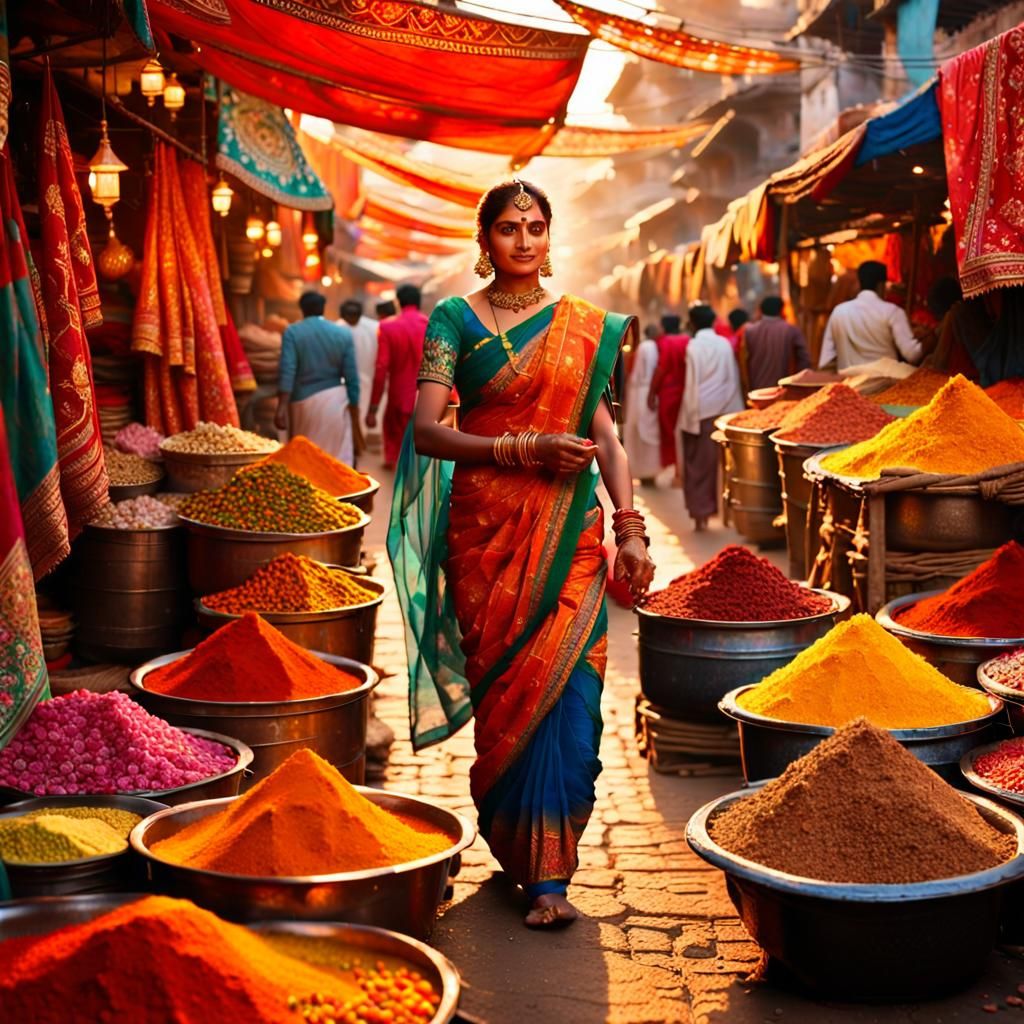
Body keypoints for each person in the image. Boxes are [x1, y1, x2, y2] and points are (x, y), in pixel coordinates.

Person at [389, 179, 655, 931]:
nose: (526, 240)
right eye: (509, 228)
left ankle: (552, 875)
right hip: (486, 537)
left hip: (570, 535)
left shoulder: (582, 326)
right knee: (509, 694)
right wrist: (522, 446)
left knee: (573, 701)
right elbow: (428, 432)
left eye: (537, 226)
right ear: (485, 240)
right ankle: (520, 853)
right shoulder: (452, 320)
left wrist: (630, 530)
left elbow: (605, 435)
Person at [275, 291, 361, 464]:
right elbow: (351, 376)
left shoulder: (292, 332)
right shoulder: (343, 334)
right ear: (323, 308)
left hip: (302, 404)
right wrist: (354, 406)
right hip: (336, 402)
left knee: (305, 460)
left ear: (302, 309)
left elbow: (288, 370)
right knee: (335, 460)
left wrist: (281, 407)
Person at [678, 304, 743, 531]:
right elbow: (732, 379)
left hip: (700, 412)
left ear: (693, 323)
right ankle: (727, 514)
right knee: (724, 466)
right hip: (723, 410)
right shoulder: (724, 344)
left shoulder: (694, 346)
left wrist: (689, 419)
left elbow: (691, 384)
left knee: (698, 466)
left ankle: (701, 516)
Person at [818, 261, 923, 370]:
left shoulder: (838, 312)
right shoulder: (892, 311)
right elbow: (912, 354)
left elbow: (826, 361)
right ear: (881, 285)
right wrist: (933, 337)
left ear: (859, 283)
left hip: (849, 384)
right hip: (887, 383)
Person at [367, 284, 428, 470]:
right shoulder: (431, 325)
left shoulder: (387, 326)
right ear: (419, 302)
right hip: (427, 395)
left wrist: (373, 407)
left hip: (398, 396)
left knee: (396, 445)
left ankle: (396, 468)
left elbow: (381, 367)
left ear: (399, 302)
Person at [740, 296, 812, 393]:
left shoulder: (750, 331)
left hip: (757, 389)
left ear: (760, 310)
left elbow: (743, 362)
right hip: (784, 389)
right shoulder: (791, 330)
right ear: (782, 310)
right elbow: (805, 360)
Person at [646, 314, 689, 477]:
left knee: (669, 431)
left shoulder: (665, 342)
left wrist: (651, 393)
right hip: (684, 390)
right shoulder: (687, 340)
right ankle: (680, 467)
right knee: (681, 430)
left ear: (664, 327)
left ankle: (675, 469)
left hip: (668, 392)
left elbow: (661, 368)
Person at [623, 325, 663, 485]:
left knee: (641, 433)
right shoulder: (650, 347)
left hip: (638, 392)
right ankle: (647, 472)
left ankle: (644, 471)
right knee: (645, 433)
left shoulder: (644, 347)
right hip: (644, 392)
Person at [339, 299, 379, 425]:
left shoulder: (373, 328)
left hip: (367, 379)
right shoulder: (337, 328)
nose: (352, 320)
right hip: (344, 381)